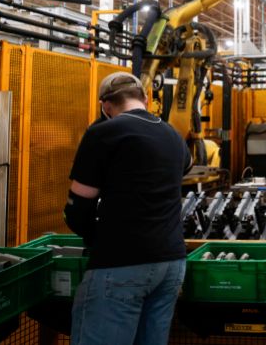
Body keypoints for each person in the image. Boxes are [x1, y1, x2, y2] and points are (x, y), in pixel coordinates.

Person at [63, 72, 192, 345]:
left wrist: (96, 237)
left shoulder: (103, 133)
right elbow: (185, 166)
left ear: (105, 106)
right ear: (145, 98)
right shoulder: (173, 134)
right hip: (171, 263)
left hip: (122, 262)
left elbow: (78, 208)